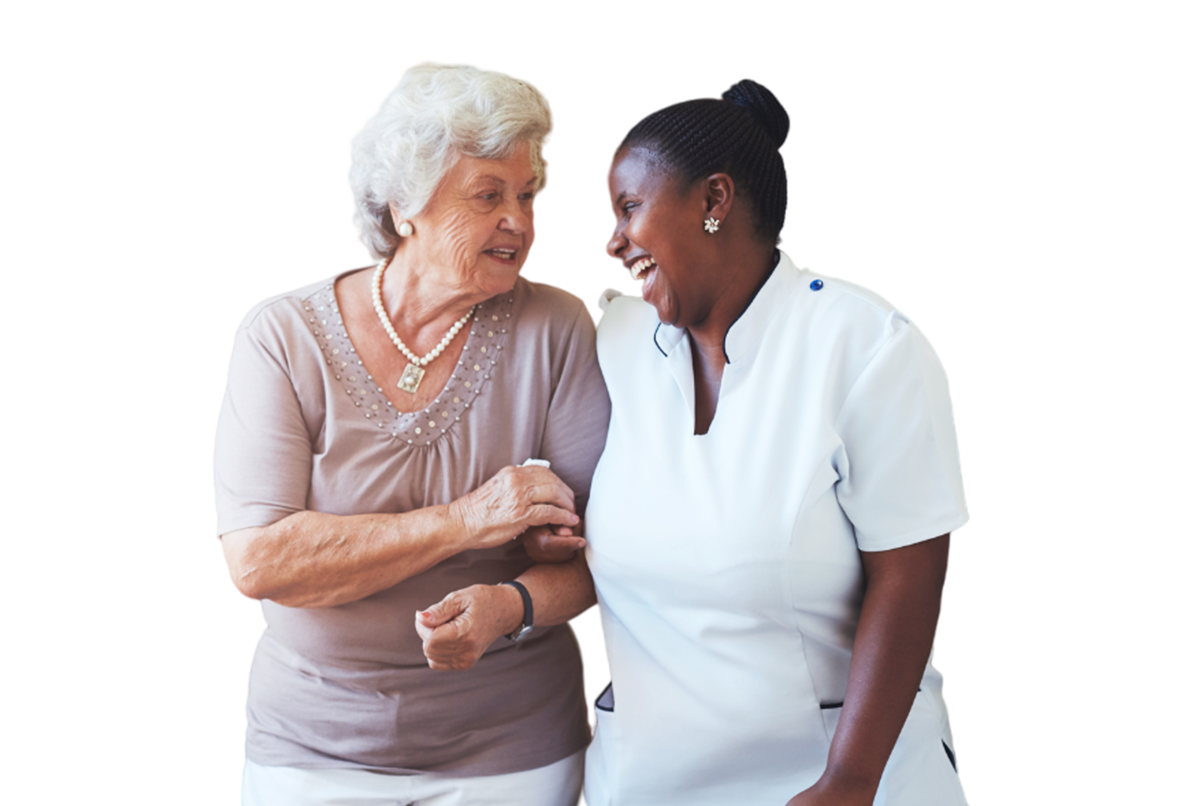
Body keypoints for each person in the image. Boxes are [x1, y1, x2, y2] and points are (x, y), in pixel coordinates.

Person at [214, 62, 609, 806]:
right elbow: (261, 563)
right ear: (404, 209)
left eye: (527, 195)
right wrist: (469, 521)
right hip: (312, 748)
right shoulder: (286, 339)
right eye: (487, 196)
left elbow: (604, 562)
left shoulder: (557, 332)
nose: (520, 221)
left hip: (512, 748)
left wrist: (510, 606)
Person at [578, 80, 969, 805]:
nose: (614, 244)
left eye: (630, 207)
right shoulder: (613, 344)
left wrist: (849, 780)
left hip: (832, 775)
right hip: (643, 778)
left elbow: (910, 575)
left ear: (714, 201)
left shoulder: (864, 348)